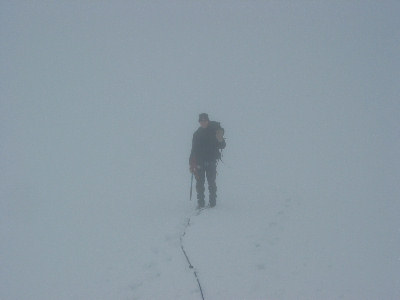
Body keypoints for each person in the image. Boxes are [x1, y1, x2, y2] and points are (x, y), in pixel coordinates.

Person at [189, 113, 226, 208]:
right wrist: (191, 162)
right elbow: (193, 149)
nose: (203, 122)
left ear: (208, 121)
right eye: (201, 121)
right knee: (200, 183)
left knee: (211, 182)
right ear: (199, 122)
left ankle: (212, 203)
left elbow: (222, 145)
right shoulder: (197, 134)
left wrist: (220, 139)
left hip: (211, 161)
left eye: (205, 120)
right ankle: (200, 203)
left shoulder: (215, 131)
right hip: (199, 162)